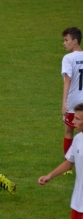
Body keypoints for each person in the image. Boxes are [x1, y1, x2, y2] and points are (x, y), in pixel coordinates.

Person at [38, 103, 83, 219]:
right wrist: (49, 176)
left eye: (77, 119)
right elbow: (68, 162)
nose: (73, 122)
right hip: (78, 200)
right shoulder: (78, 139)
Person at [61, 27, 83, 175]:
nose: (64, 43)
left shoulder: (68, 58)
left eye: (66, 40)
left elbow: (68, 79)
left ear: (75, 41)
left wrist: (64, 102)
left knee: (69, 131)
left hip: (74, 103)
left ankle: (67, 166)